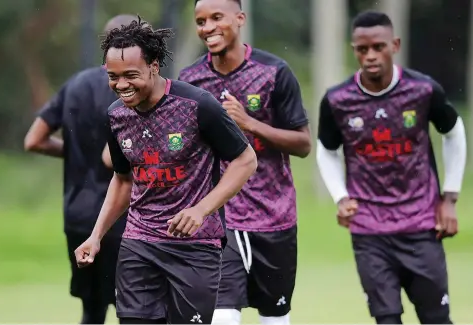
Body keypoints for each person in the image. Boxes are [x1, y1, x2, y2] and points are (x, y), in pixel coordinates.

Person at [73, 16, 257, 325]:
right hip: (139, 243)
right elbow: (122, 180)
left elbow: (245, 160)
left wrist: (201, 210)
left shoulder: (198, 105)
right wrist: (96, 236)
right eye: (113, 77)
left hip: (195, 247)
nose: (121, 85)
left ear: (154, 66)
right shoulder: (116, 116)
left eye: (131, 75)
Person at [316, 10, 467, 325]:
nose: (370, 56)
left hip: (422, 224)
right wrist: (341, 198)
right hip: (370, 230)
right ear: (353, 49)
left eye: (378, 47)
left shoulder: (423, 90)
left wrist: (449, 198)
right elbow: (326, 151)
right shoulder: (337, 100)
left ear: (394, 45)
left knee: (436, 318)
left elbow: (454, 132)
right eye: (362, 49)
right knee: (386, 320)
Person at [179, 1, 311, 324]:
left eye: (216, 18)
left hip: (274, 216)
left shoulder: (274, 73)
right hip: (221, 217)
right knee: (222, 316)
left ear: (240, 19)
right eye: (200, 21)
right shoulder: (190, 80)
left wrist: (250, 123)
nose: (208, 27)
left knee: (275, 316)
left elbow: (304, 143)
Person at [24, 14, 139, 324]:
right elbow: (110, 158)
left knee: (92, 309)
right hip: (121, 217)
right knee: (133, 309)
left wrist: (75, 154)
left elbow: (33, 140)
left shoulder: (75, 84)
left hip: (77, 216)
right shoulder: (132, 88)